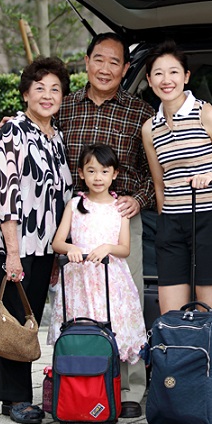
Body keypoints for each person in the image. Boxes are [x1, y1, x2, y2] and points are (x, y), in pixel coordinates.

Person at [54, 32, 154, 419]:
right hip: (77, 219)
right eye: (99, 59)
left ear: (126, 68)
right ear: (86, 61)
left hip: (120, 219)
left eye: (115, 62)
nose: (105, 68)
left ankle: (130, 389)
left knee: (125, 301)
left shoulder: (139, 112)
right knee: (78, 303)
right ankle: (79, 379)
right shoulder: (65, 107)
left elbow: (154, 170)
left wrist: (138, 199)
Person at [0, 57, 73, 424]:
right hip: (11, 243)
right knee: (12, 319)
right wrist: (13, 254)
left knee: (28, 319)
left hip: (43, 246)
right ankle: (15, 398)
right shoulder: (13, 132)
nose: (47, 95)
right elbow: (6, 194)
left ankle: (16, 395)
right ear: (25, 94)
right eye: (40, 88)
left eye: (55, 89)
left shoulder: (57, 137)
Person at [140, 41, 212, 313]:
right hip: (172, 223)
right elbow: (159, 184)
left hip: (210, 219)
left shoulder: (206, 114)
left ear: (186, 76)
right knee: (171, 315)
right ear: (149, 80)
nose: (167, 80)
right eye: (158, 73)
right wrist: (165, 222)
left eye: (174, 72)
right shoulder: (150, 128)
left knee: (208, 312)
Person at [48, 144, 146, 368]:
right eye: (91, 171)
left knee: (111, 329)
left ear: (114, 174)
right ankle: (80, 378)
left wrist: (108, 248)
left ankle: (110, 382)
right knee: (80, 328)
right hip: (79, 281)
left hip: (109, 280)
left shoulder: (120, 208)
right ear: (81, 173)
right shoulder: (74, 205)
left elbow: (125, 249)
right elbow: (57, 243)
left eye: (104, 171)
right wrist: (70, 248)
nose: (98, 177)